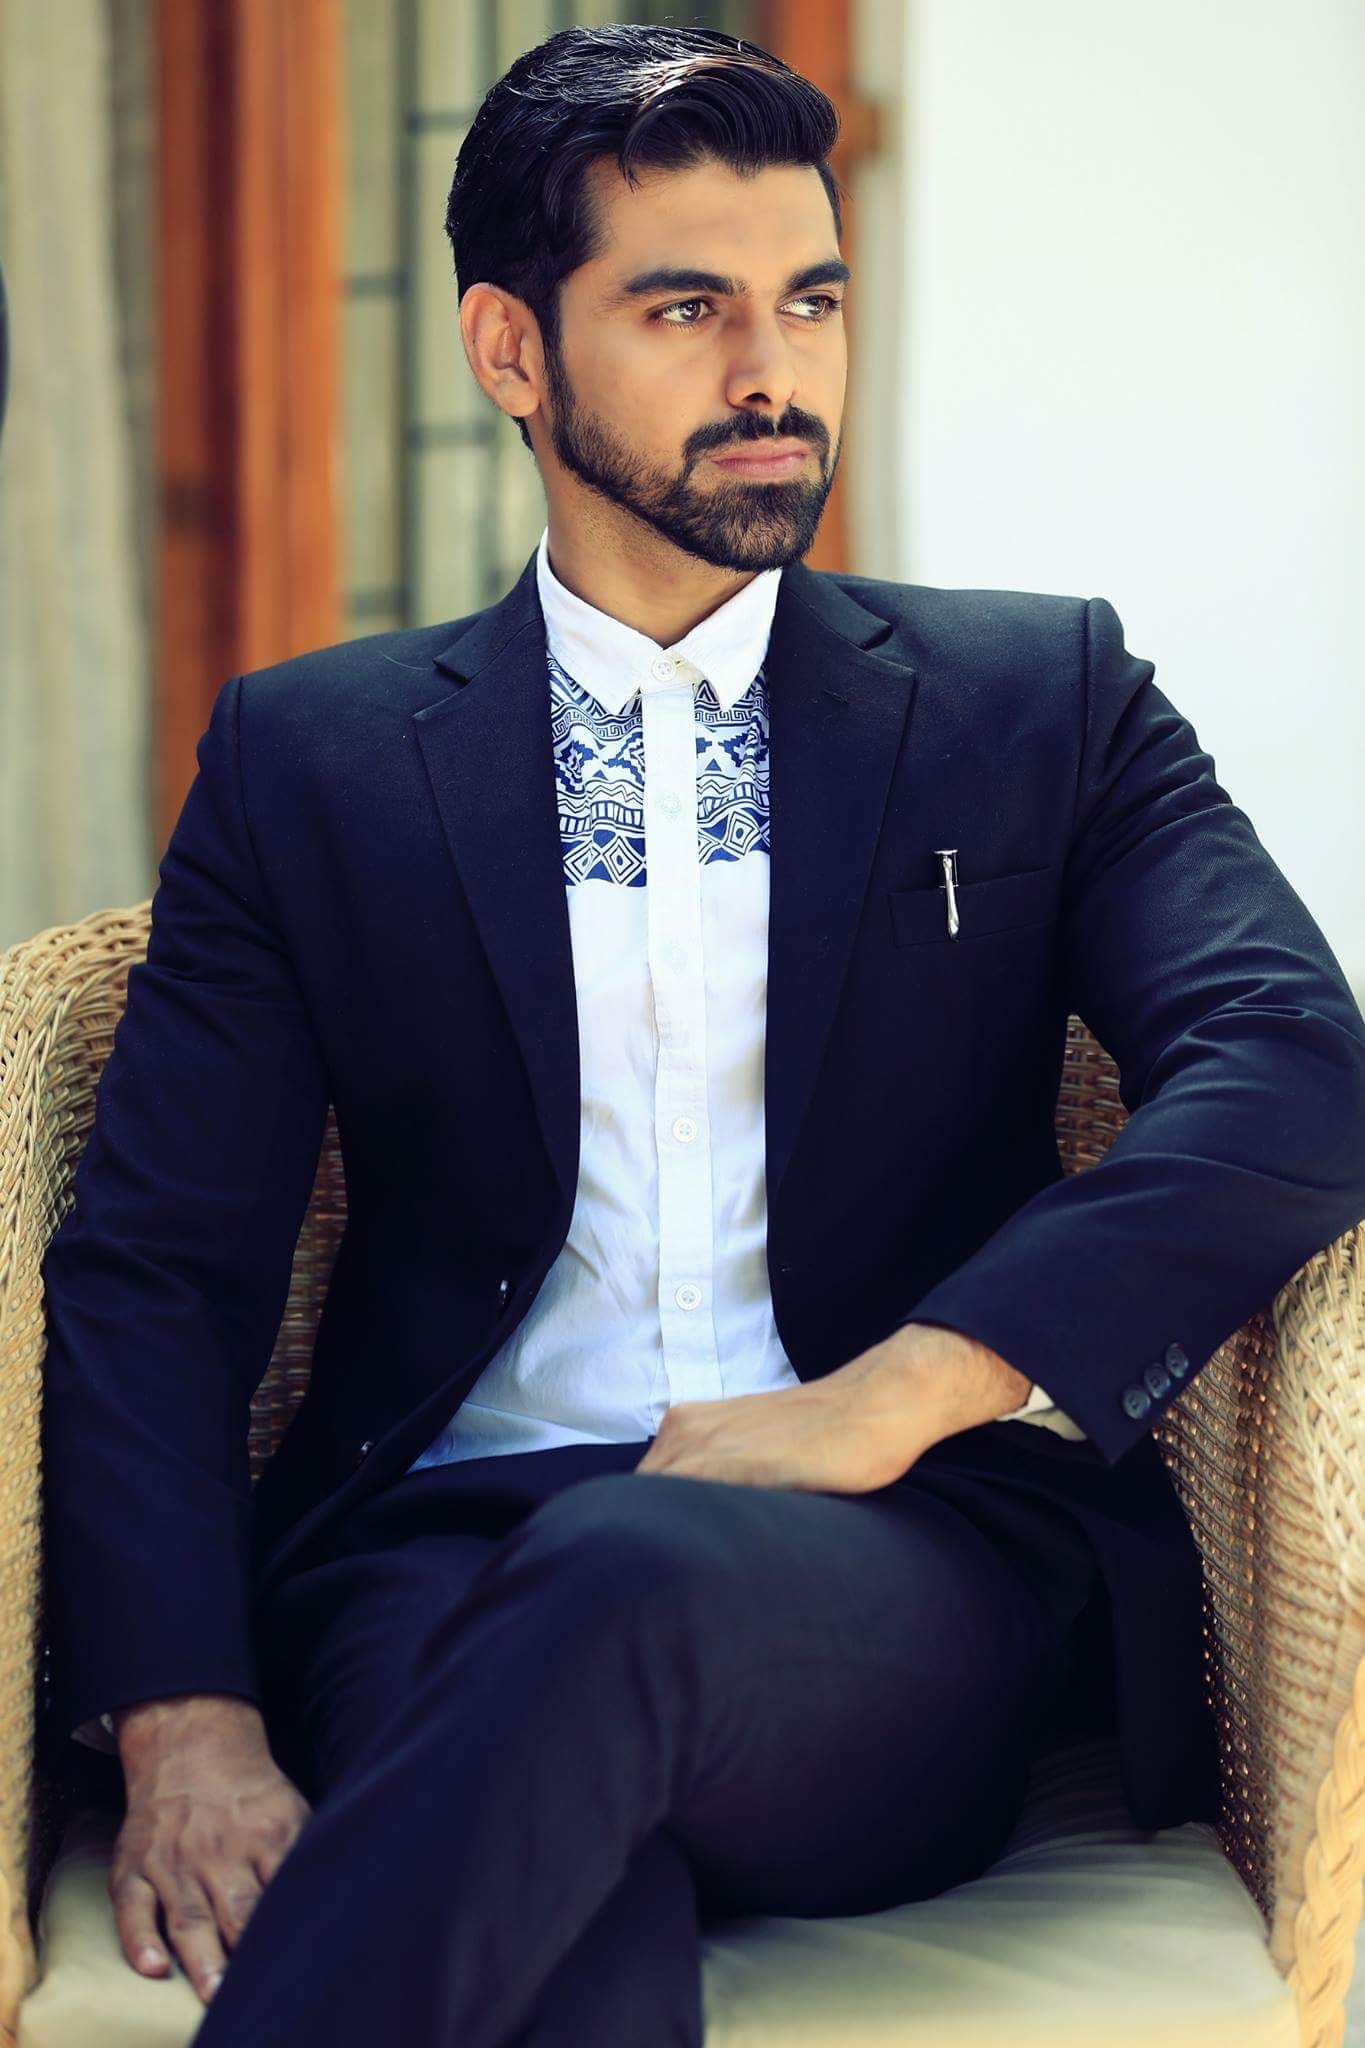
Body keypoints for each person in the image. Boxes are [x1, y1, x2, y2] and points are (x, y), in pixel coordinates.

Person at [38, 23, 1365, 2048]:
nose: (772, 371)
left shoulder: (1040, 702)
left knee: (622, 1586)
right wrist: (186, 1716)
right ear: (509, 350)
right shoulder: (313, 761)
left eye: (807, 302)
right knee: (554, 1911)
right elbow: (157, 1265)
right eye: (686, 309)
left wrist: (905, 1388)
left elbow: (1289, 1067)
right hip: (434, 1552)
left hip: (891, 1575)